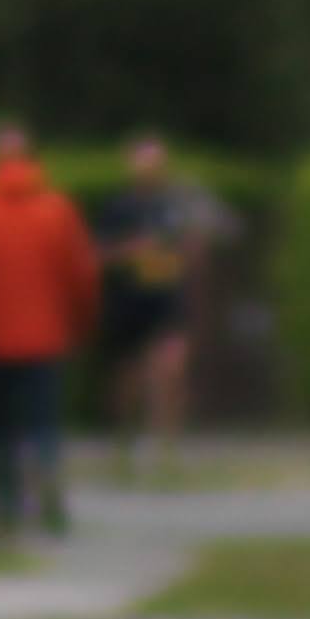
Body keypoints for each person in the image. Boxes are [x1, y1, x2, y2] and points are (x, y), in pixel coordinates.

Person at [0, 125, 99, 542]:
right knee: (44, 424)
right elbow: (79, 275)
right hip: (46, 337)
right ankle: (48, 492)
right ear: (32, 159)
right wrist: (79, 324)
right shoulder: (57, 209)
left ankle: (4, 506)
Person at [90, 137, 227, 478]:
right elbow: (98, 255)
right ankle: (124, 441)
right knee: (128, 379)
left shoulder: (175, 206)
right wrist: (131, 250)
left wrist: (192, 253)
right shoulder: (117, 208)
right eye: (143, 163)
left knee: (171, 369)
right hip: (128, 300)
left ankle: (166, 448)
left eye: (155, 163)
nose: (149, 170)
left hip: (167, 300)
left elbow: (194, 246)